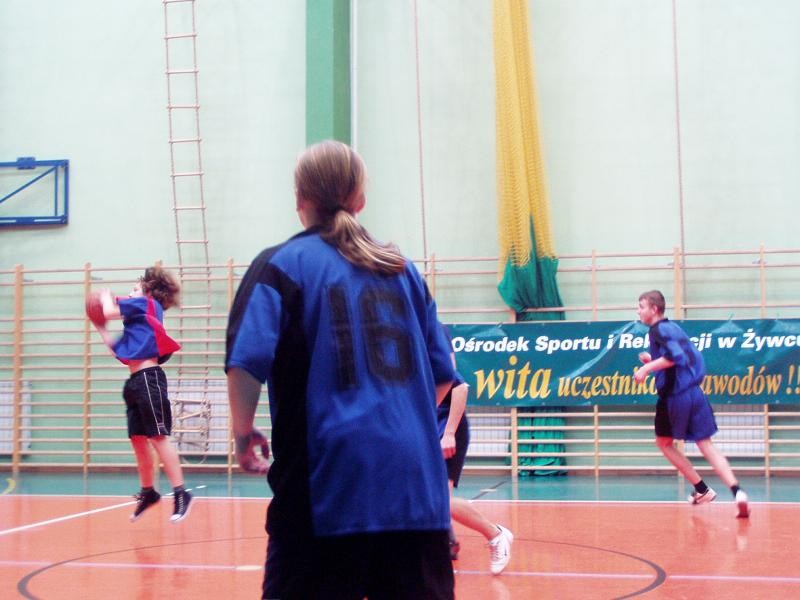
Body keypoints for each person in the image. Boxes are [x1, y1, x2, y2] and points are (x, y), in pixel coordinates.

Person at [225, 140, 457, 600]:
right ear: (361, 200)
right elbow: (444, 373)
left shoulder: (282, 265)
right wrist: (394, 417)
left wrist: (242, 433)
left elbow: (245, 365)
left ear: (300, 199)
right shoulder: (404, 270)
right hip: (416, 489)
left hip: (329, 486)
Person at [633, 289, 749, 518]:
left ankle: (702, 489)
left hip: (675, 397)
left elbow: (675, 357)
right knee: (706, 445)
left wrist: (646, 368)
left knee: (664, 443)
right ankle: (738, 492)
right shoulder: (673, 327)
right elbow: (683, 359)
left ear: (654, 309)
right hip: (696, 393)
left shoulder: (657, 330)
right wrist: (653, 360)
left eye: (641, 307)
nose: (638, 311)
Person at [92, 265, 193, 524]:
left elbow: (109, 310)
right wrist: (101, 328)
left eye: (134, 288)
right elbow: (118, 352)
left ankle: (181, 492)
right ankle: (149, 492)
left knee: (158, 437)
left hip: (149, 379)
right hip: (135, 382)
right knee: (138, 439)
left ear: (148, 291)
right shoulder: (137, 325)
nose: (130, 293)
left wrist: (104, 297)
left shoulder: (147, 304)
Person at [438, 330, 513, 574]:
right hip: (427, 430)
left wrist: (449, 433)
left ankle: (496, 535)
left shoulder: (430, 345)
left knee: (440, 500)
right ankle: (442, 545)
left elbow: (460, 388)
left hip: (447, 429)